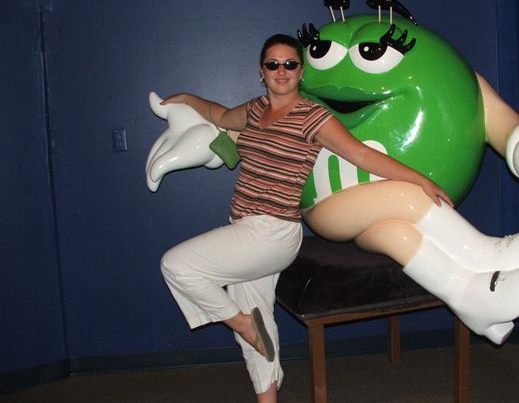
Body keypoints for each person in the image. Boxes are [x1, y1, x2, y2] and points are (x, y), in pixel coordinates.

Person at [158, 33, 452, 403]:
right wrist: (187, 98)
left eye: (290, 64)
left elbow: (361, 155)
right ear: (262, 71)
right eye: (273, 64)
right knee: (258, 318)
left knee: (177, 265)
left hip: (273, 232)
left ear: (300, 72)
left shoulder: (312, 116)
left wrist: (421, 180)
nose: (281, 71)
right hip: (244, 228)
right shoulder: (253, 110)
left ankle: (243, 323)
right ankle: (264, 386)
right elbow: (218, 114)